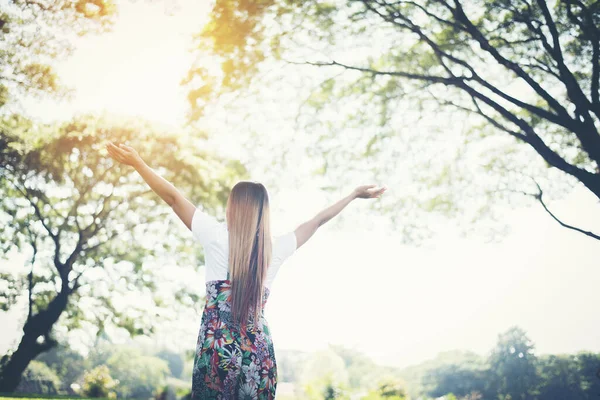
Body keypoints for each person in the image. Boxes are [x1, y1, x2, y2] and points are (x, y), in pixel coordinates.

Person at [105, 141, 387, 399]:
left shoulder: (215, 236)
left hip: (217, 350)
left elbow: (173, 198)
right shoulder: (273, 249)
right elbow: (315, 222)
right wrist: (351, 195)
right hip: (258, 351)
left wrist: (139, 164)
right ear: (264, 212)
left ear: (232, 208)